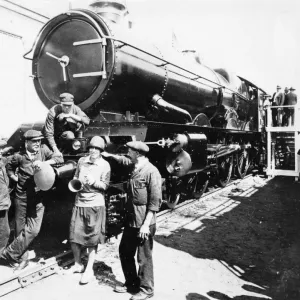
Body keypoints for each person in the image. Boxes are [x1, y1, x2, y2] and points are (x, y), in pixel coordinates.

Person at [103, 141, 162, 300]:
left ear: (138, 153)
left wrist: (145, 225)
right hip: (131, 219)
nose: (127, 153)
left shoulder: (151, 172)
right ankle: (131, 283)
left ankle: (147, 289)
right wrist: (109, 155)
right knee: (125, 251)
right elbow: (122, 160)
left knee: (143, 257)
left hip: (144, 221)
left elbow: (155, 202)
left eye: (129, 151)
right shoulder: (133, 167)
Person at [0, 130, 63, 271]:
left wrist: (45, 162)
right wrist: (13, 177)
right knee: (19, 228)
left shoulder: (43, 150)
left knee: (34, 229)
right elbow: (9, 167)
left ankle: (9, 254)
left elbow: (60, 158)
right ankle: (23, 260)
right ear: (26, 142)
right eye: (34, 141)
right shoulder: (19, 157)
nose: (37, 143)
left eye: (39, 140)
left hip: (38, 198)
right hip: (21, 196)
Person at [67, 136, 110, 284]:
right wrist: (75, 182)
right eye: (91, 148)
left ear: (101, 151)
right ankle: (78, 264)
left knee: (92, 239)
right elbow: (75, 176)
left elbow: (105, 186)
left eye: (96, 149)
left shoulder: (105, 165)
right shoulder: (81, 161)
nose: (93, 151)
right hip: (79, 202)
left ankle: (89, 269)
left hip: (95, 204)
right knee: (74, 236)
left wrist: (95, 182)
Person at [0, 139, 10, 257]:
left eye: (1, 148)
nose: (1, 151)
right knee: (4, 231)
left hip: (3, 202)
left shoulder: (2, 161)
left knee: (5, 231)